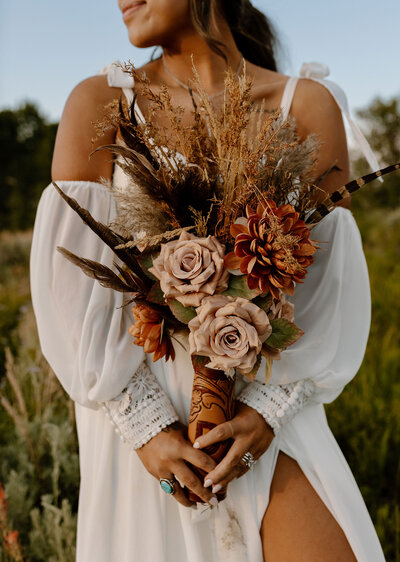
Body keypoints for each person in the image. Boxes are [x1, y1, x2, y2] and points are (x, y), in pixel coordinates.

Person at [30, 1, 386, 560]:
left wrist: (269, 409)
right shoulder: (100, 102)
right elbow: (72, 294)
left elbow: (324, 287)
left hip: (266, 419)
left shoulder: (306, 104)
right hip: (147, 438)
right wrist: (146, 426)